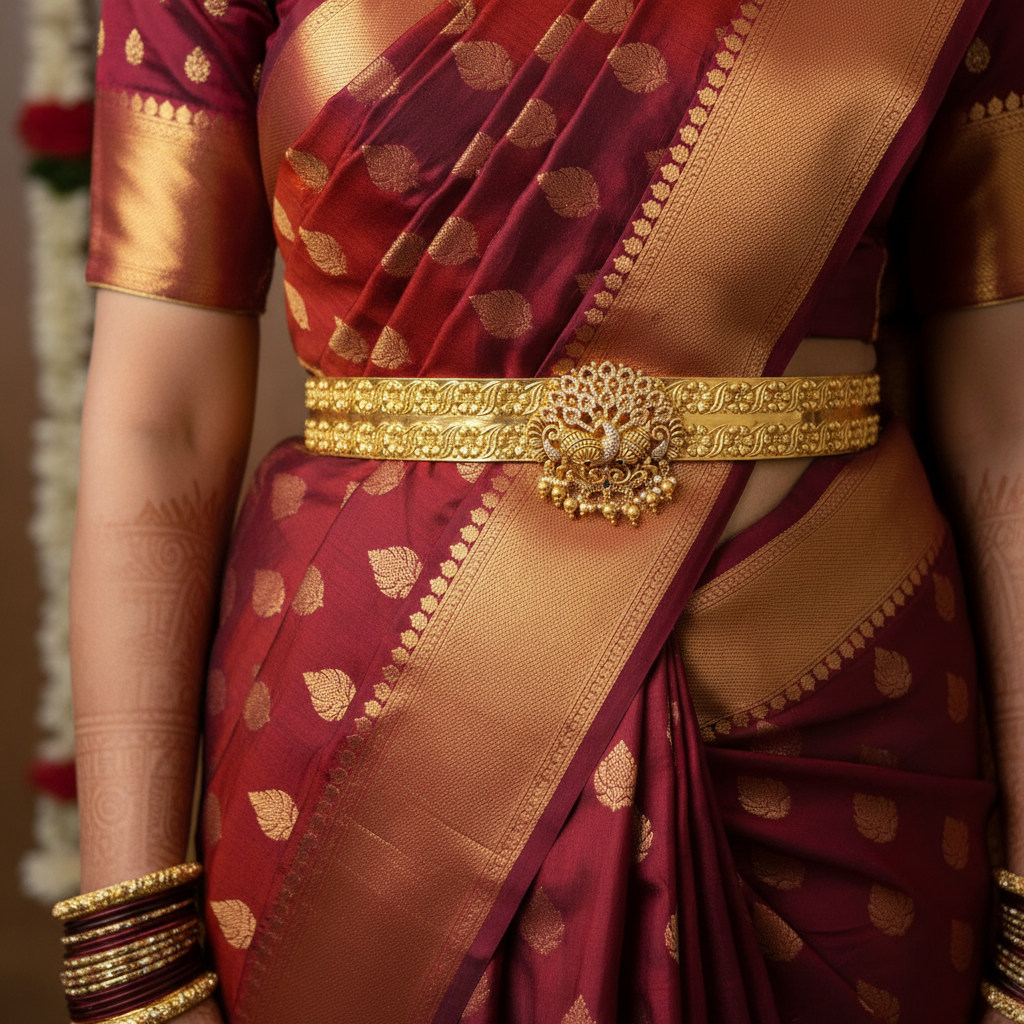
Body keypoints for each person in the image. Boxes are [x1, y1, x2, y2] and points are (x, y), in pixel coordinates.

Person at [62, 0, 1024, 1021]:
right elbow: (154, 427)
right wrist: (135, 946)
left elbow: (1005, 431)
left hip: (830, 721)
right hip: (377, 726)